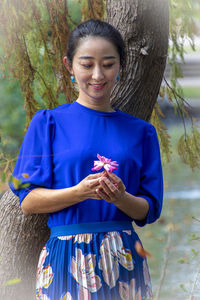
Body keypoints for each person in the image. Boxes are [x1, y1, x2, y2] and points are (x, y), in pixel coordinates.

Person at [10, 19, 163, 300]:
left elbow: (149, 210)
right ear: (70, 66)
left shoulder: (141, 132)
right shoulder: (48, 123)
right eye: (86, 64)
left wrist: (120, 198)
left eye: (107, 64)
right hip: (65, 256)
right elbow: (28, 202)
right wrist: (79, 192)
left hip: (124, 257)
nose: (97, 75)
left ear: (120, 67)